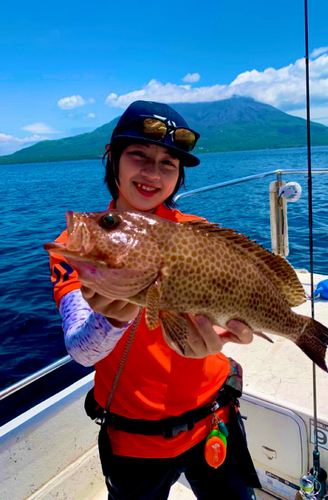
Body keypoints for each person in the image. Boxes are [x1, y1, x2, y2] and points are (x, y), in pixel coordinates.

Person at [48, 100, 261, 500]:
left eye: (168, 163)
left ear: (179, 176)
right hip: (136, 443)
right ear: (112, 159)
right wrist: (111, 319)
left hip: (216, 419)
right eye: (139, 156)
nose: (152, 173)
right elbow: (81, 350)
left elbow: (229, 308)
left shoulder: (197, 233)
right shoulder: (78, 245)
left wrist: (239, 330)